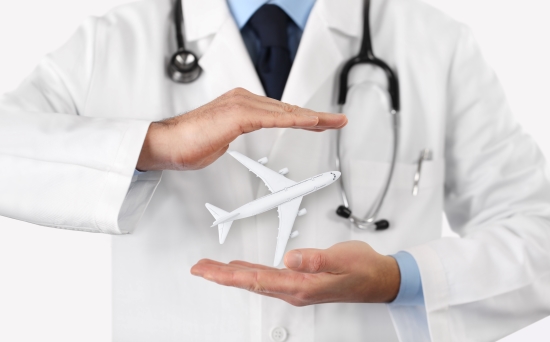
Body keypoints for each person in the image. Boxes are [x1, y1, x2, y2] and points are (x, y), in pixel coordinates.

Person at [1, 0, 549, 341]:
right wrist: (153, 143)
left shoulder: (437, 43)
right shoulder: (110, 42)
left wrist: (400, 279)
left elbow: (540, 236)